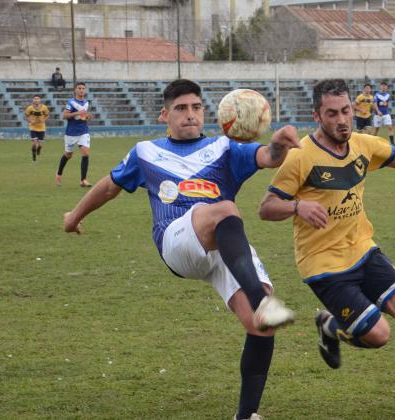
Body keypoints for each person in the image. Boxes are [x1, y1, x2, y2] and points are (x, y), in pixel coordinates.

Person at [63, 79, 299, 420]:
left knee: (261, 326)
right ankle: (262, 300)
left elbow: (268, 156)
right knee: (226, 210)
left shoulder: (225, 147)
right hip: (176, 239)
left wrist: (278, 144)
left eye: (196, 107)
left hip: (225, 247)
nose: (190, 115)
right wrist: (74, 216)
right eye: (181, 108)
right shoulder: (146, 151)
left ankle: (246, 415)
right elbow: (109, 187)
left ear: (205, 112)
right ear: (165, 114)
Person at [259, 79, 395, 415]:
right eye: (332, 113)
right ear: (317, 116)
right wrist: (298, 207)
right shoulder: (300, 157)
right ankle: (330, 325)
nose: (342, 119)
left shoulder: (361, 144)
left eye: (345, 111)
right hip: (323, 264)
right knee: (379, 335)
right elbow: (266, 208)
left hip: (362, 248)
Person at [57, 82, 93, 187]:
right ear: (75, 90)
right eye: (79, 88)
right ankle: (59, 174)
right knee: (68, 155)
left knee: (85, 153)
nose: (81, 90)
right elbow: (65, 116)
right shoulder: (71, 102)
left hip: (83, 131)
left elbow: (82, 117)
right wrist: (76, 113)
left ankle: (83, 180)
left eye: (83, 88)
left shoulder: (86, 103)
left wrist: (88, 117)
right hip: (71, 133)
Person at [25, 94, 50, 162]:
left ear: (40, 100)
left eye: (37, 98)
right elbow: (26, 115)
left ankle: (39, 149)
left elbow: (47, 115)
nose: (36, 100)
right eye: (35, 98)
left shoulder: (44, 107)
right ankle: (34, 158)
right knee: (34, 143)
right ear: (33, 100)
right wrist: (30, 121)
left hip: (41, 128)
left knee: (40, 145)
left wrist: (44, 120)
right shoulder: (30, 108)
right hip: (33, 127)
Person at [373, 81, 395, 146]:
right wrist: (378, 111)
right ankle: (373, 142)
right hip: (378, 115)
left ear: (387, 87)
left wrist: (386, 109)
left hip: (386, 114)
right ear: (380, 86)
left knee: (390, 127)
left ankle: (392, 143)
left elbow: (386, 104)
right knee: (376, 129)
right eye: (382, 85)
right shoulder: (377, 94)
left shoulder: (388, 95)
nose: (384, 87)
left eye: (385, 86)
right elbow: (375, 104)